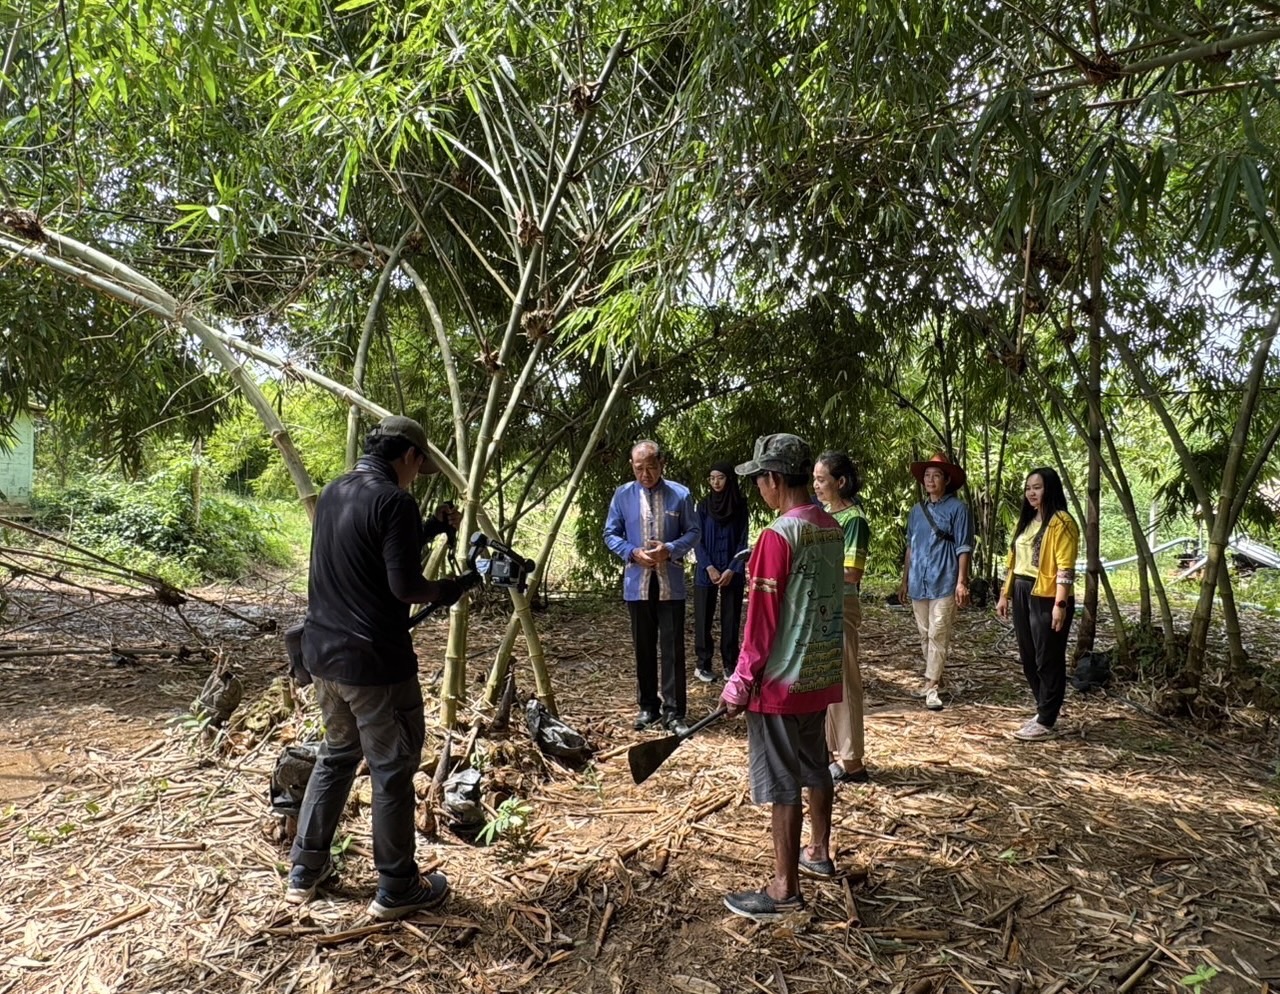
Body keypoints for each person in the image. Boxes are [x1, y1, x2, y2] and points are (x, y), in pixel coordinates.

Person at [287, 415, 478, 919]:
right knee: (392, 771)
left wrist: (434, 527)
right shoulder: (395, 499)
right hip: (374, 666)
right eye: (420, 467)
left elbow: (370, 547)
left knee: (336, 757)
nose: (417, 477)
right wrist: (455, 588)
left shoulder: (335, 492)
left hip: (323, 657)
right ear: (410, 456)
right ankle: (397, 886)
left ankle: (305, 870)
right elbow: (405, 587)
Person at [720, 433, 844, 923]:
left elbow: (761, 621)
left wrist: (740, 681)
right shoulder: (831, 529)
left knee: (782, 782)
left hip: (779, 681)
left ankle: (784, 888)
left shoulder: (777, 536)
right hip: (819, 673)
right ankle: (819, 851)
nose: (759, 490)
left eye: (759, 481)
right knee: (816, 764)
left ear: (773, 479)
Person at [603, 440, 700, 735]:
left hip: (670, 582)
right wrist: (632, 553)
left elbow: (694, 531)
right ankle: (648, 707)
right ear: (632, 467)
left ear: (662, 465)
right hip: (638, 584)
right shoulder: (622, 495)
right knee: (643, 647)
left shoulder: (680, 494)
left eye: (651, 467)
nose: (645, 474)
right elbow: (610, 533)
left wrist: (669, 548)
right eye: (639, 468)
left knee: (672, 648)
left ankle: (674, 712)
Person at [996, 467, 1079, 741]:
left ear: (1050, 489)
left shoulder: (1061, 522)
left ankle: (1046, 719)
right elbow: (1013, 562)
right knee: (1029, 656)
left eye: (1038, 487)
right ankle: (1043, 708)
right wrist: (1004, 594)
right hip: (1022, 590)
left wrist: (1061, 603)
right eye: (1028, 488)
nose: (1032, 493)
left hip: (1047, 594)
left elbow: (1066, 567)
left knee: (1048, 656)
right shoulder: (1028, 521)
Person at [812, 451, 870, 784]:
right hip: (820, 605)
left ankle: (854, 762)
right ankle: (833, 754)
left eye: (822, 479)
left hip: (840, 606)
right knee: (826, 681)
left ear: (841, 482)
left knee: (846, 685)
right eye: (815, 479)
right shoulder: (822, 515)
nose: (816, 485)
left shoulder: (853, 521)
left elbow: (851, 572)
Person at [900, 452, 974, 711]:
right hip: (919, 581)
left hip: (944, 579)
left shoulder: (958, 509)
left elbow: (964, 546)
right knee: (924, 634)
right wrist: (904, 579)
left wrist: (962, 581)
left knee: (938, 632)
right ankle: (935, 678)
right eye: (927, 475)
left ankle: (931, 686)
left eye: (936, 475)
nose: (930, 480)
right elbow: (911, 546)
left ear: (947, 479)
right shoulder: (916, 511)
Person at [693, 461, 750, 684]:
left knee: (731, 618)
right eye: (712, 478)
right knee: (703, 618)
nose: (716, 482)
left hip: (731, 570)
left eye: (721, 477)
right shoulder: (704, 506)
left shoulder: (739, 505)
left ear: (729, 479)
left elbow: (743, 540)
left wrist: (732, 569)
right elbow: (697, 537)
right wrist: (708, 566)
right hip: (706, 569)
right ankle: (703, 664)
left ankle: (730, 664)